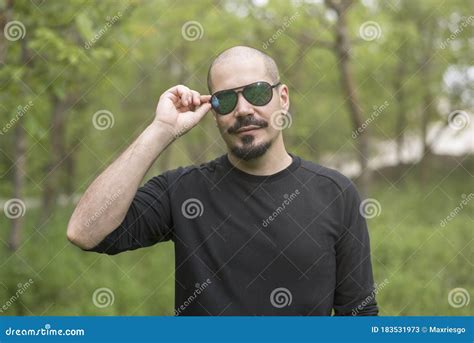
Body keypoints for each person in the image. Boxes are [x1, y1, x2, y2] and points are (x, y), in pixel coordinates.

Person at [67, 45, 378, 316]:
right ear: (213, 111)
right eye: (226, 100)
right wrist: (160, 130)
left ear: (282, 98)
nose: (243, 110)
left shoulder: (335, 193)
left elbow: (359, 316)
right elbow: (85, 231)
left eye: (256, 92)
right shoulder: (183, 191)